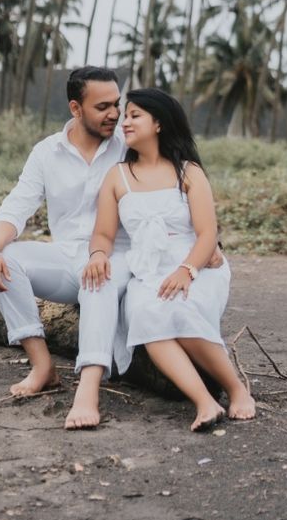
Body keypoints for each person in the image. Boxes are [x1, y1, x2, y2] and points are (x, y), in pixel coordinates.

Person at [81, 87, 256, 432]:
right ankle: (204, 403)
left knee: (180, 309)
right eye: (125, 116)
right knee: (145, 314)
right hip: (147, 270)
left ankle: (238, 390)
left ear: (158, 123)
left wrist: (186, 270)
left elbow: (207, 234)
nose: (124, 122)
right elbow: (102, 234)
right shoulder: (117, 177)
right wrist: (98, 254)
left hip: (198, 264)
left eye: (134, 116)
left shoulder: (188, 171)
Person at [0, 66, 130, 431]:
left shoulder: (129, 144)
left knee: (99, 278)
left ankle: (88, 389)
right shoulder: (47, 152)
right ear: (76, 109)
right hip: (67, 258)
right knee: (8, 259)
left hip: (121, 257)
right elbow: (18, 204)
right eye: (103, 106)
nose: (114, 114)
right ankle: (42, 365)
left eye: (117, 104)